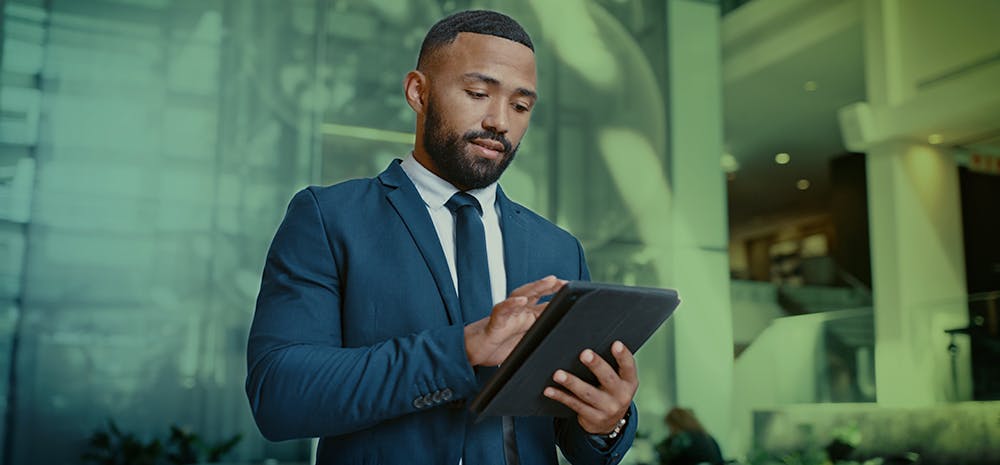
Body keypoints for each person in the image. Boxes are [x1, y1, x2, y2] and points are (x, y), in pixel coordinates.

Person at [245, 10, 639, 465]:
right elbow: (279, 396)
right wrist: (462, 348)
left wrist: (607, 421)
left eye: (520, 106)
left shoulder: (559, 250)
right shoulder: (329, 218)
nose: (500, 122)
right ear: (419, 92)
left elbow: (574, 436)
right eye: (478, 93)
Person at [655, 408, 724, 465]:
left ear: (675, 424)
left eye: (670, 426)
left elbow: (671, 459)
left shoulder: (684, 439)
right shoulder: (706, 437)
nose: (670, 431)